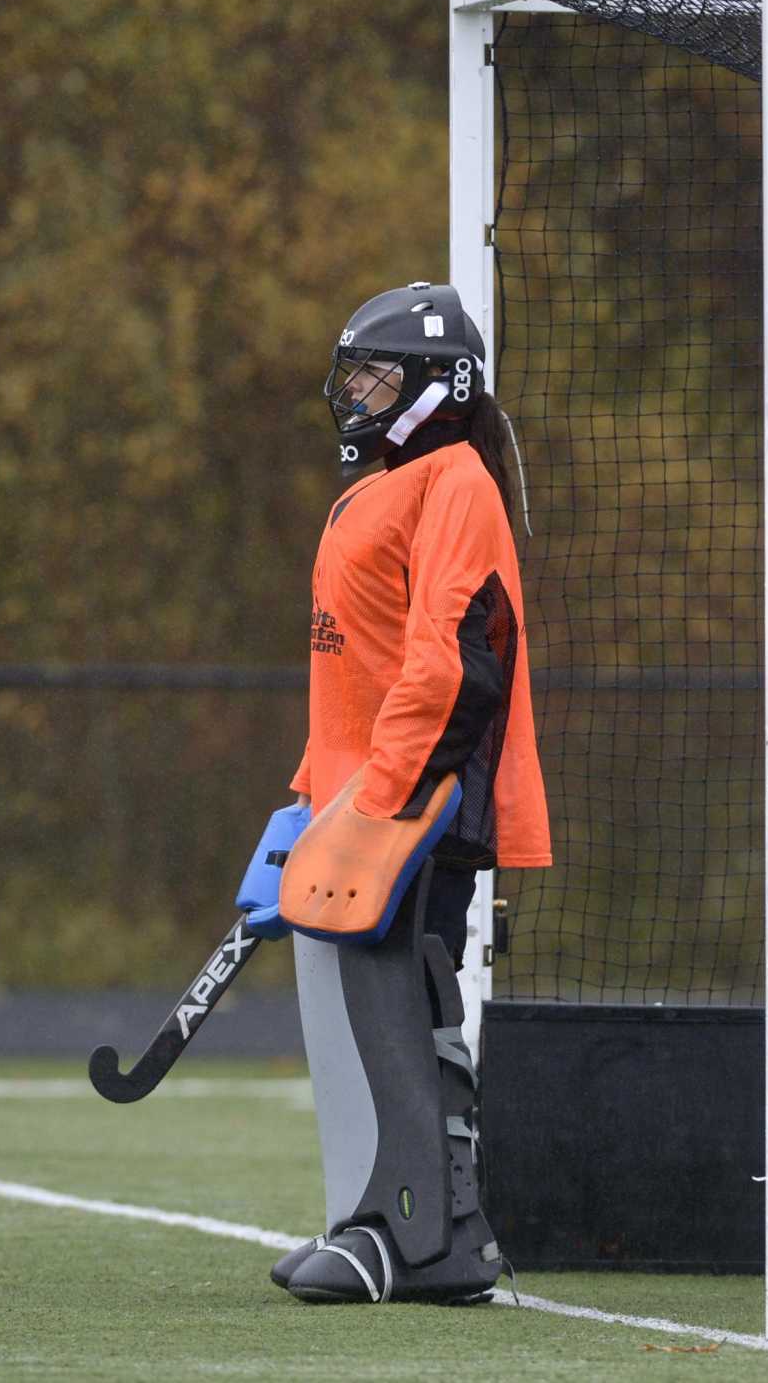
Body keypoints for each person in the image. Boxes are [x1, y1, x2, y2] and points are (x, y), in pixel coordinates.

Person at [253, 281, 550, 1304]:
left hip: (414, 807)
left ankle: (419, 1239)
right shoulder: (382, 484)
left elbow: (451, 667)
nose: (358, 394)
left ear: (439, 384)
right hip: (357, 807)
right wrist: (302, 802)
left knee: (402, 1011)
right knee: (365, 1021)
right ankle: (387, 1225)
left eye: (378, 374)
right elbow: (357, 675)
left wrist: (375, 809)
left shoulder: (453, 483)